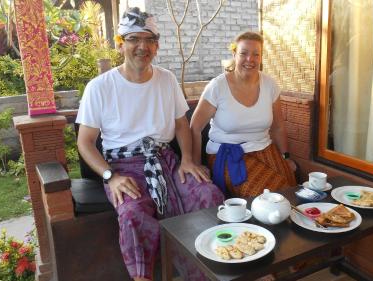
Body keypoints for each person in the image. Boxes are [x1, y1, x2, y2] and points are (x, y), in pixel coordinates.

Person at [76, 8, 224, 281]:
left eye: (149, 40)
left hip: (165, 159)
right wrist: (110, 177)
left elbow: (181, 123)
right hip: (122, 166)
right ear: (120, 44)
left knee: (208, 194)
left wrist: (188, 160)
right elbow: (85, 143)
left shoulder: (166, 79)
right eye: (133, 39)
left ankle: (216, 267)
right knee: (132, 213)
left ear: (156, 45)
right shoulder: (99, 87)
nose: (142, 46)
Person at [190, 31, 297, 198]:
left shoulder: (270, 84)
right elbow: (195, 128)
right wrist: (195, 164)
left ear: (261, 57)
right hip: (227, 153)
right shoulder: (217, 86)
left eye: (256, 54)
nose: (250, 59)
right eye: (244, 53)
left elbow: (278, 127)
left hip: (264, 148)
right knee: (268, 197)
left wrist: (286, 157)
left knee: (292, 188)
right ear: (234, 54)